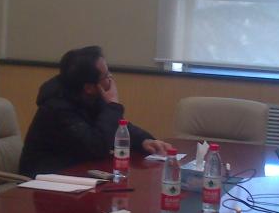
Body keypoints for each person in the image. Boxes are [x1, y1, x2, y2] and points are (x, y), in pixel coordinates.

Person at [18, 46, 169, 177]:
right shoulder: (57, 109)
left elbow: (116, 127)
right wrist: (113, 105)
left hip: (76, 176)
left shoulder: (87, 97)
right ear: (89, 87)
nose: (111, 79)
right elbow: (97, 146)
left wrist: (143, 141)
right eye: (106, 75)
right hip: (44, 183)